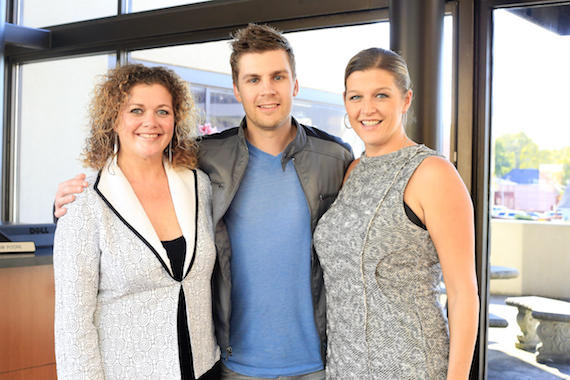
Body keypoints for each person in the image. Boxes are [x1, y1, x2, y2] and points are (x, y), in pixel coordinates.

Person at [54, 25, 354, 379]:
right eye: (253, 79)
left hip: (311, 364)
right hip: (232, 365)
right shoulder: (207, 159)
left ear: (295, 84)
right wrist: (67, 206)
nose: (267, 90)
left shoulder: (335, 158)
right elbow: (74, 318)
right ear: (237, 90)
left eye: (278, 76)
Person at [313, 47, 479, 380]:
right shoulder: (352, 170)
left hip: (412, 366)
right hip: (344, 368)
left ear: (405, 100)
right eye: (356, 96)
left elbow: (463, 292)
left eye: (382, 95)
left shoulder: (432, 173)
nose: (367, 109)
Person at [53, 64, 220, 380]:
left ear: (176, 119)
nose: (151, 122)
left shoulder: (201, 186)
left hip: (204, 368)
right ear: (114, 119)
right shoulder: (85, 201)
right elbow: (73, 322)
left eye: (162, 111)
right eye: (136, 110)